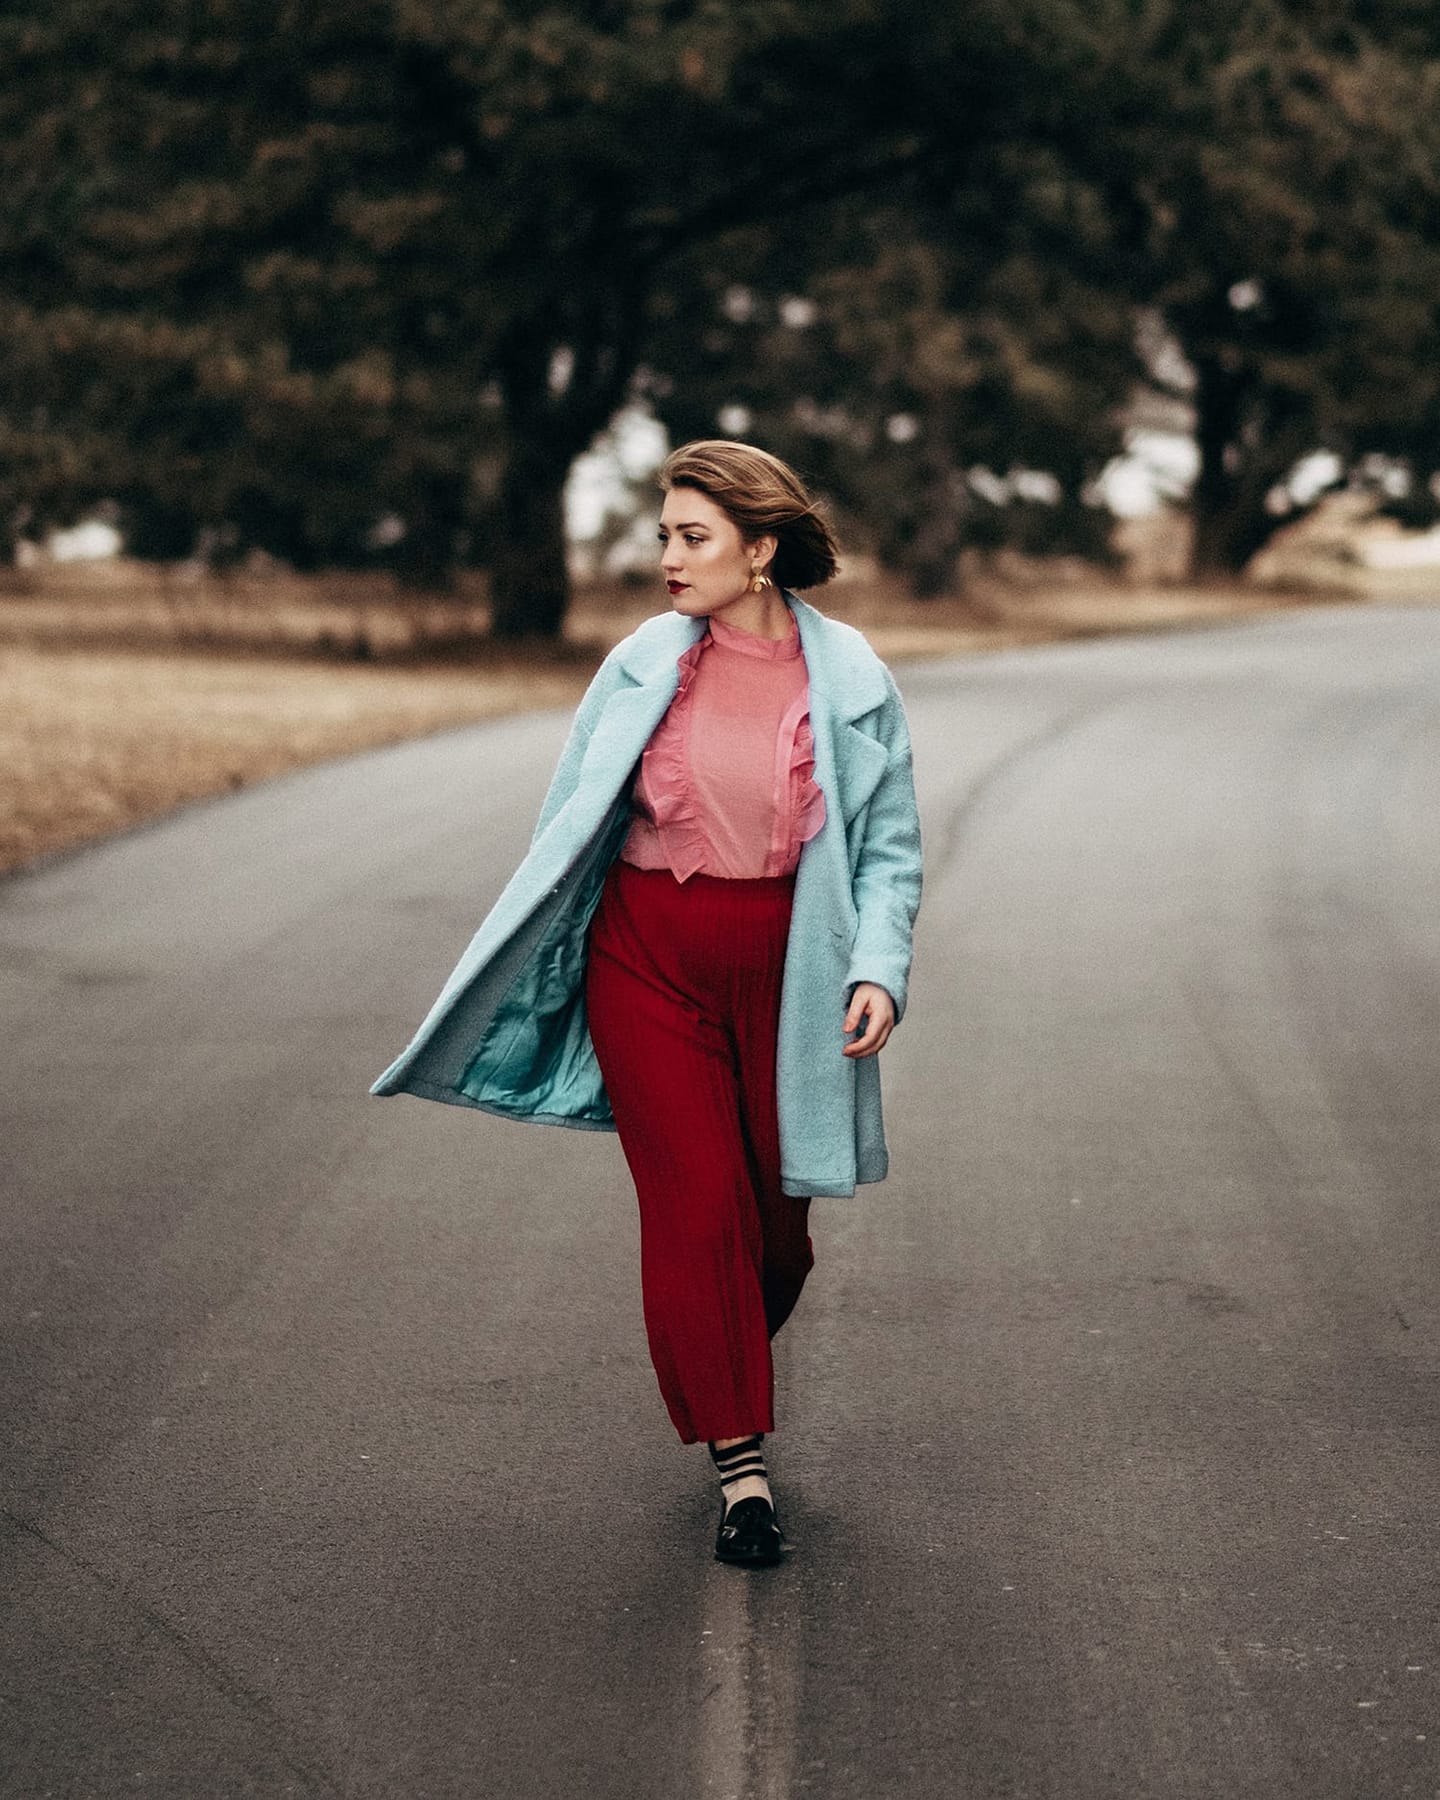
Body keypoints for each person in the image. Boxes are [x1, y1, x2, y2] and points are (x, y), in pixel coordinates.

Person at [370, 440, 923, 1566]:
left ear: (759, 552)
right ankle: (743, 1472)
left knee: (779, 1238)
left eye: (692, 537)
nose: (666, 558)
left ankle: (712, 1344)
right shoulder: (642, 665)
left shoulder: (853, 677)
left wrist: (878, 967)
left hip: (791, 971)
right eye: (664, 534)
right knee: (697, 1210)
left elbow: (892, 851)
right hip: (647, 959)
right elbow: (568, 824)